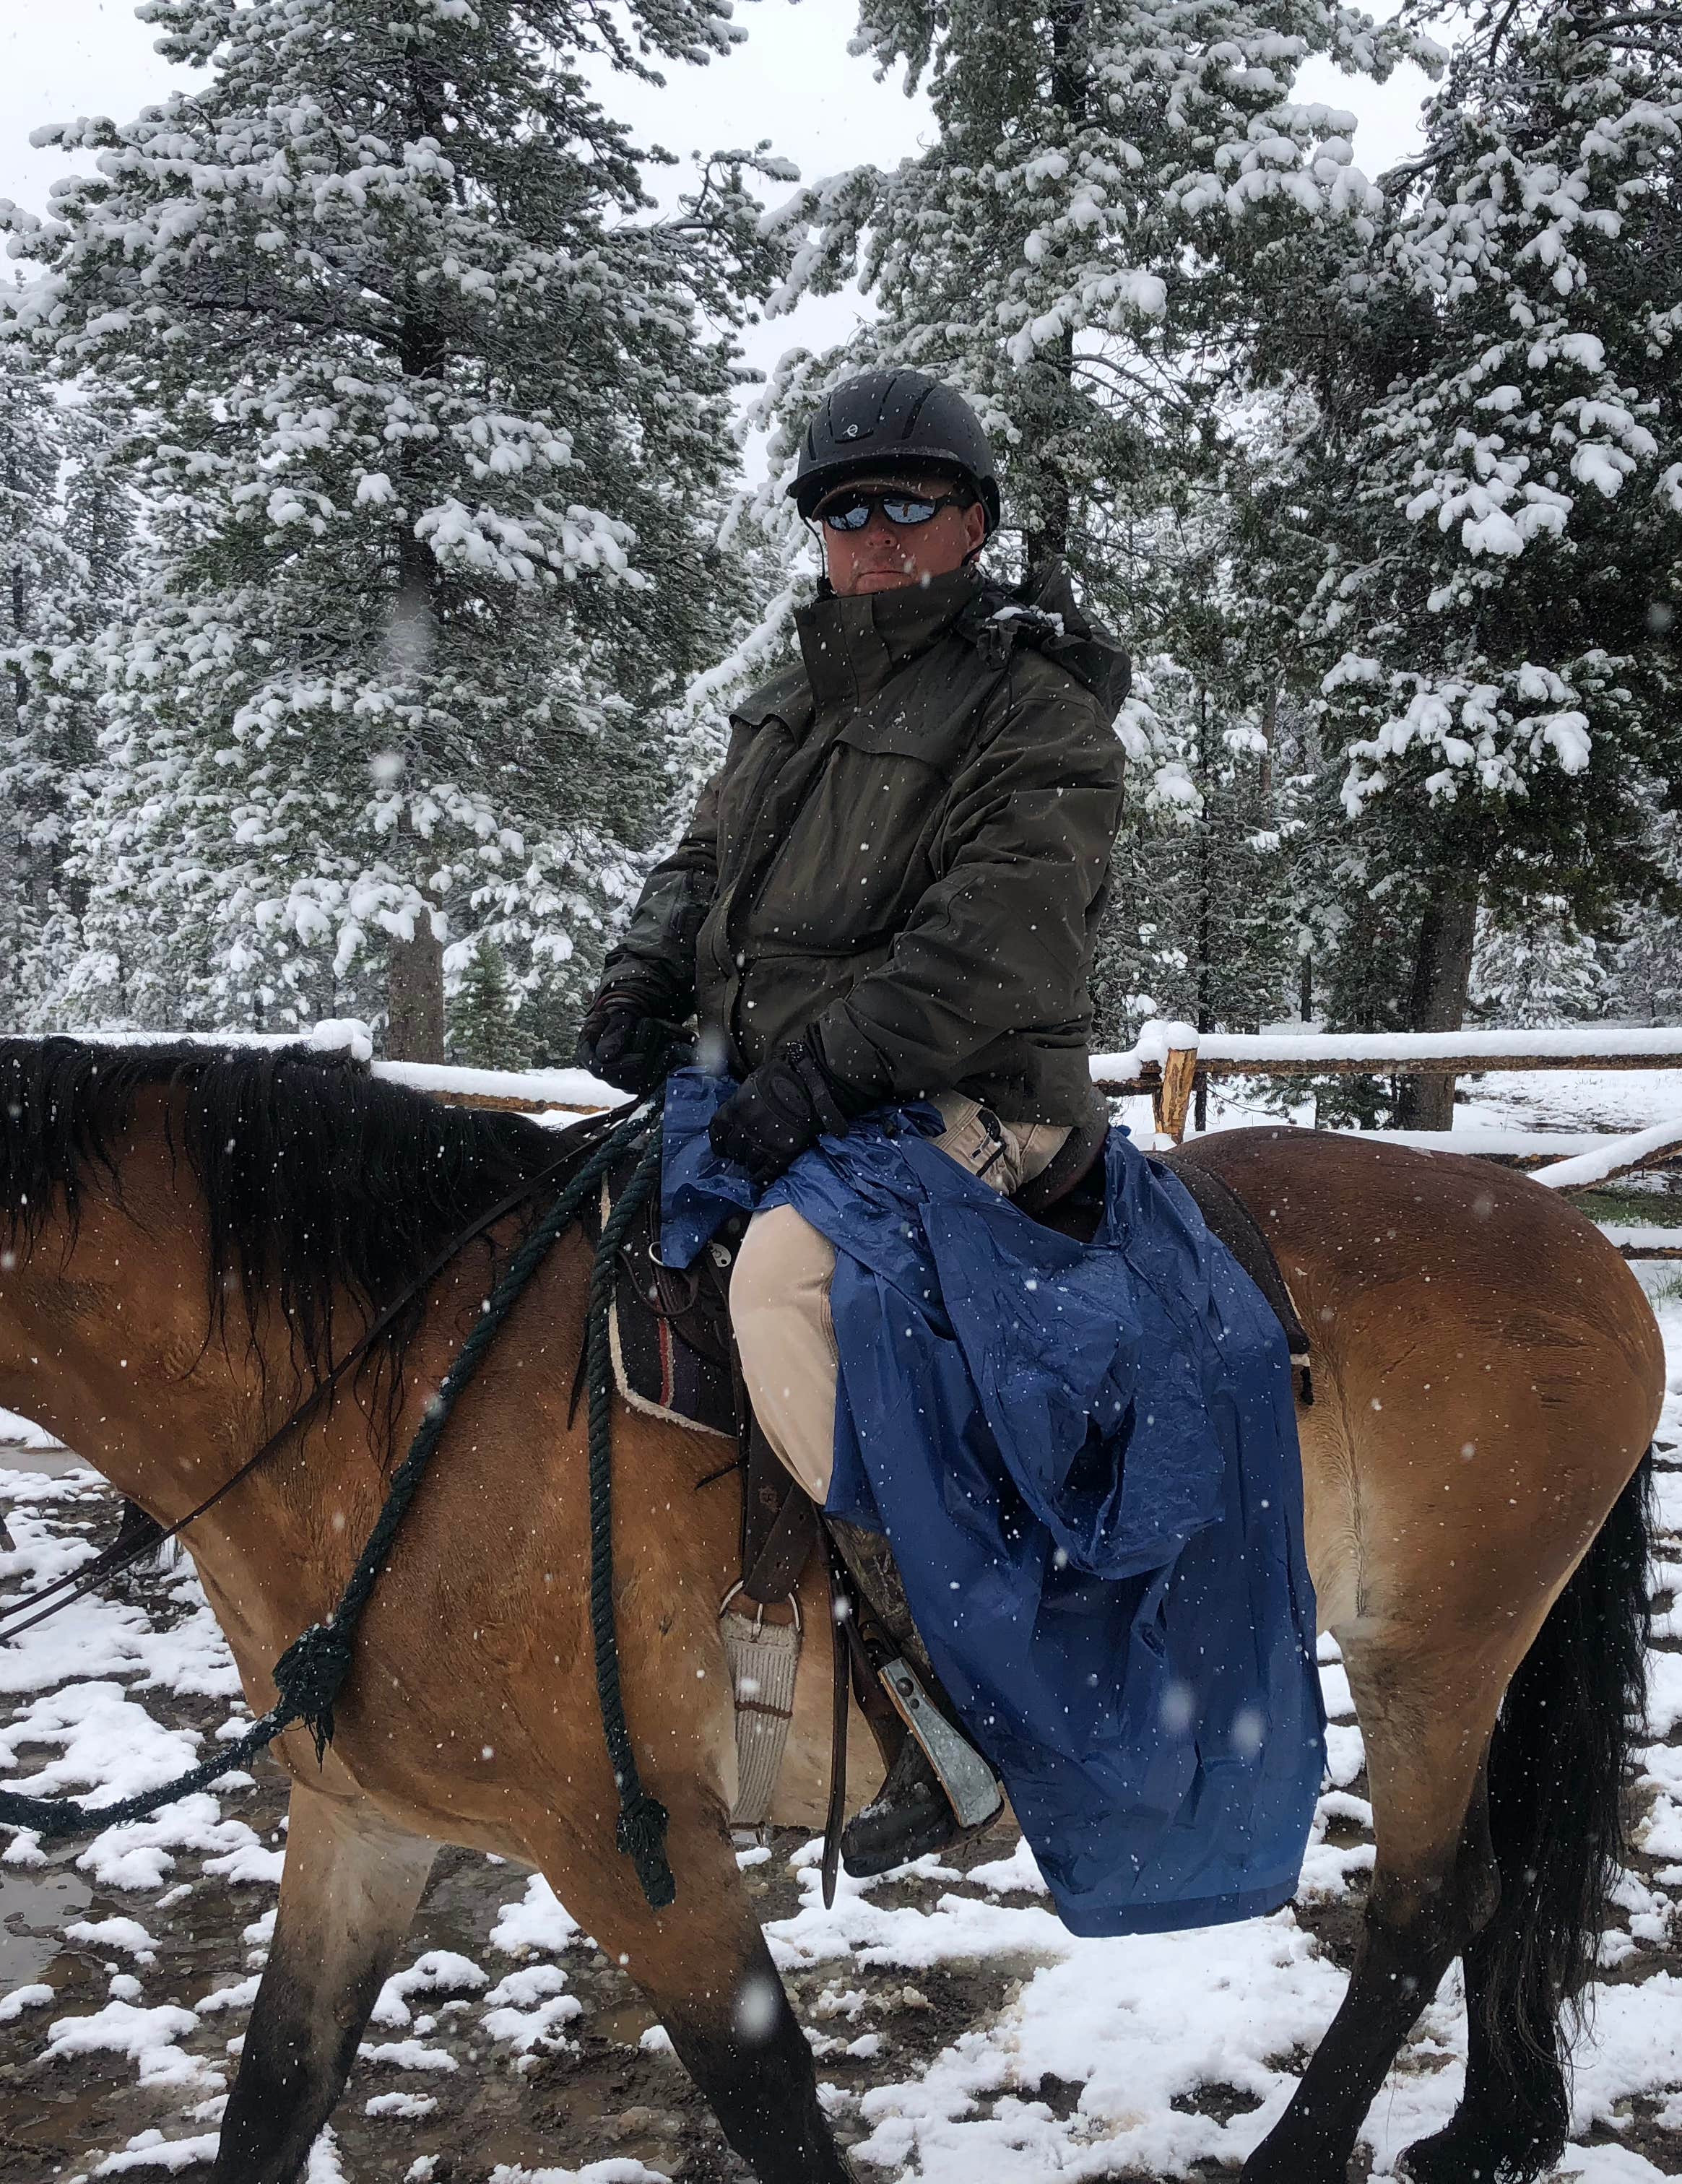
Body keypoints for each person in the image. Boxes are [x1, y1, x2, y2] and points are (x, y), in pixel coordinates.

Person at [581, 366, 1130, 1872]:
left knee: (781, 1285)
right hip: (784, 1090)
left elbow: (999, 942)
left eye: (907, 505)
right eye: (843, 509)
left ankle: (955, 1690)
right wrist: (642, 980)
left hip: (975, 1097)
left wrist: (818, 1076)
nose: (873, 536)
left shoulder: (1035, 709)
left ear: (973, 524)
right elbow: (699, 865)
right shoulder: (790, 697)